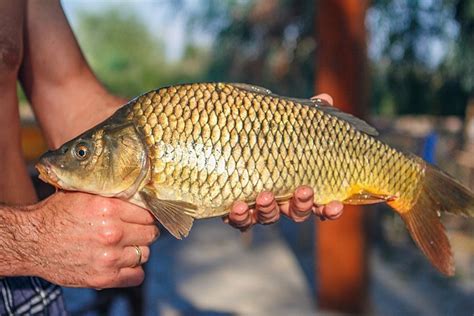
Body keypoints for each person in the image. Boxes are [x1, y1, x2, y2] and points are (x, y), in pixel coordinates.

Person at [0, 0, 343, 314]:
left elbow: (64, 88)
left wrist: (265, 143)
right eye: (81, 153)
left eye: (82, 152)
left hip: (31, 288)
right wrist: (29, 239)